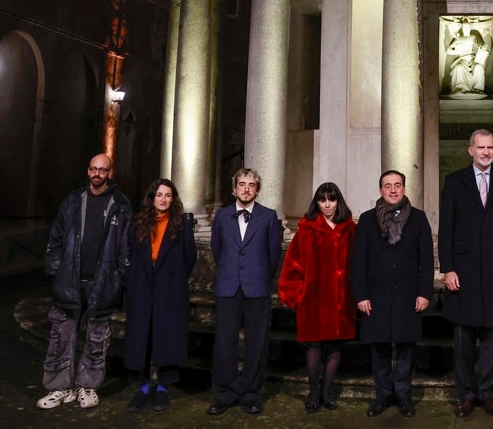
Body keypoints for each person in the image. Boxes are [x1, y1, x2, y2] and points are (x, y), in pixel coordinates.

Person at [439, 128, 493, 418]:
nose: (486, 152)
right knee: (462, 336)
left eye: (490, 147)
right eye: (481, 147)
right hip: (462, 270)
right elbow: (446, 229)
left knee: (492, 335)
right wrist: (447, 268)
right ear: (470, 150)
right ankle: (466, 394)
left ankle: (486, 391)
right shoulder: (453, 182)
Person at [36, 153, 131, 410]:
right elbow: (56, 238)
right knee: (61, 334)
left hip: (101, 281)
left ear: (110, 172)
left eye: (102, 170)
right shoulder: (72, 200)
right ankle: (59, 388)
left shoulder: (120, 204)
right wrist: (56, 270)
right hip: (70, 278)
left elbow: (125, 246)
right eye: (93, 169)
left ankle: (87, 386)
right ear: (88, 171)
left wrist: (118, 274)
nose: (97, 174)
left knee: (97, 336)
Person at [352, 170, 434, 419]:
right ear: (380, 190)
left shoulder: (418, 218)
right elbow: (358, 261)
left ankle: (404, 396)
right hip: (376, 295)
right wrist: (361, 295)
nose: (393, 190)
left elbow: (427, 260)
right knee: (380, 349)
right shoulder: (367, 220)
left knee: (407, 347)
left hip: (408, 294)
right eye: (387, 186)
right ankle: (382, 395)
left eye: (397, 185)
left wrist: (424, 293)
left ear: (404, 188)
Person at [207, 168, 283, 416]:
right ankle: (227, 392)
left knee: (256, 343)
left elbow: (273, 256)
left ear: (257, 190)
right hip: (228, 286)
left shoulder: (269, 217)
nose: (246, 189)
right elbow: (217, 250)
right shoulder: (221, 216)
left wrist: (259, 277)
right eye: (242, 184)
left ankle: (251, 393)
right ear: (234, 189)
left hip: (257, 287)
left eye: (251, 185)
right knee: (224, 343)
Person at [278, 182, 357, 412]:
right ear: (317, 202)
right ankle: (313, 392)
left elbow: (358, 263)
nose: (327, 205)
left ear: (338, 201)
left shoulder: (350, 229)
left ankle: (326, 392)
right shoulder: (306, 229)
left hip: (342, 299)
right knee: (314, 346)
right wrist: (295, 294)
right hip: (314, 299)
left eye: (331, 199)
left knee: (335, 347)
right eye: (322, 200)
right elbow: (293, 264)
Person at [123, 178, 197, 412]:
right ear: (152, 198)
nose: (163, 199)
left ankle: (164, 387)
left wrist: (173, 278)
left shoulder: (182, 224)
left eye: (168, 195)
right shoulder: (138, 223)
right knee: (141, 336)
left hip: (170, 286)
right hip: (142, 285)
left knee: (166, 336)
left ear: (173, 199)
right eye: (159, 195)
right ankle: (143, 387)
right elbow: (129, 252)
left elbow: (189, 257)